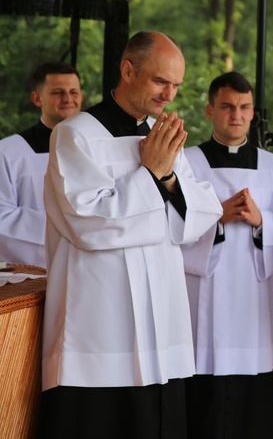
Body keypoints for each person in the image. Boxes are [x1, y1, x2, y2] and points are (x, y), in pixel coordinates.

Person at [39, 31, 223, 438]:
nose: (169, 96)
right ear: (127, 70)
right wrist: (151, 174)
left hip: (163, 322)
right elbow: (89, 224)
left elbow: (200, 215)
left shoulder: (163, 135)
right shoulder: (75, 135)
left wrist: (168, 175)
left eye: (176, 85)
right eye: (161, 82)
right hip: (98, 327)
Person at [180, 71, 273, 438]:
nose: (235, 115)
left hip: (252, 306)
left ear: (253, 113)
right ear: (210, 110)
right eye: (227, 106)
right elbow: (166, 226)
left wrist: (261, 221)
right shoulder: (184, 163)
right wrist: (216, 217)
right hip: (202, 304)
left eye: (244, 107)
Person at [0, 62, 83, 266]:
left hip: (88, 271)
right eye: (58, 92)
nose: (67, 99)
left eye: (73, 92)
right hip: (34, 272)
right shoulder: (8, 152)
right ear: (37, 98)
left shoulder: (96, 149)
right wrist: (70, 226)